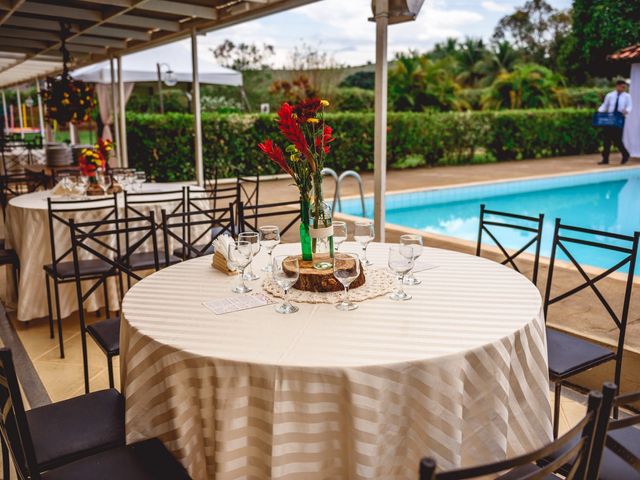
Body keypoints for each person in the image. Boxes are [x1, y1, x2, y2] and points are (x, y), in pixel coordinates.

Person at [598, 79, 632, 165]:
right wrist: (600, 111)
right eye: (622, 87)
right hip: (610, 118)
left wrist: (626, 111)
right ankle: (605, 159)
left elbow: (629, 106)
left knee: (617, 139)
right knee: (607, 139)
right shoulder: (610, 95)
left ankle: (625, 154)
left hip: (619, 118)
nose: (623, 88)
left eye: (625, 87)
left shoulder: (627, 96)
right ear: (617, 86)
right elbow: (605, 105)